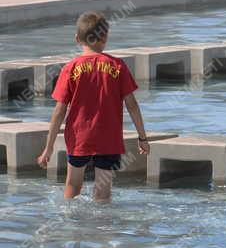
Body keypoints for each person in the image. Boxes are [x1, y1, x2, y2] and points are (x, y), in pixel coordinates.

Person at [36, 12, 148, 202]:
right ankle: (102, 230)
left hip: (80, 138)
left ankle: (70, 225)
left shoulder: (70, 68)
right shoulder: (117, 66)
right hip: (109, 139)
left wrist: (49, 147)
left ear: (77, 39)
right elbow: (133, 105)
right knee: (102, 192)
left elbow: (59, 111)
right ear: (105, 37)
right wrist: (142, 138)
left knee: (73, 185)